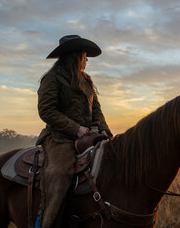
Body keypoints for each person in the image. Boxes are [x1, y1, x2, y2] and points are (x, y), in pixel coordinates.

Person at [35, 35, 112, 228]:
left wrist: (103, 128)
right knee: (61, 172)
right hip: (59, 137)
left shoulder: (86, 81)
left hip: (87, 135)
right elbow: (47, 111)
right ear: (75, 56)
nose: (87, 60)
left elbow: (96, 109)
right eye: (85, 55)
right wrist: (75, 129)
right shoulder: (52, 79)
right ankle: (48, 222)